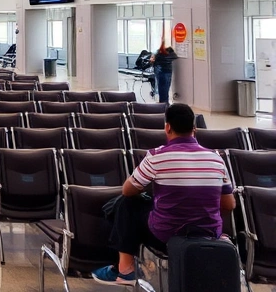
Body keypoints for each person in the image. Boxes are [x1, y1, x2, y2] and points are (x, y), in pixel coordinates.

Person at [91, 103, 234, 286]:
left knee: (126, 203)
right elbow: (229, 205)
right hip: (208, 232)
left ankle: (125, 269)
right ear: (195, 129)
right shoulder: (216, 158)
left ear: (167, 127)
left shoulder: (157, 156)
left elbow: (127, 190)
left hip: (166, 234)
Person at [152, 38, 176, 103]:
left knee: (163, 90)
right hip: (164, 72)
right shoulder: (162, 53)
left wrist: (154, 59)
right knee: (164, 90)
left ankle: (164, 105)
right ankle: (164, 104)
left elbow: (154, 60)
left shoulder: (161, 54)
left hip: (163, 72)